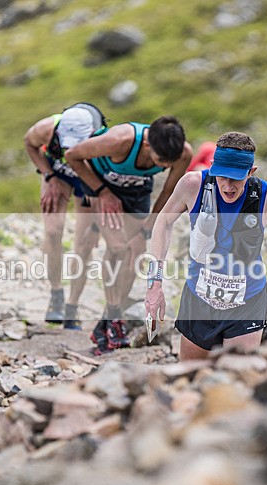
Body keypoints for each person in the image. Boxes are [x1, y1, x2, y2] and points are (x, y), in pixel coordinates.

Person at [144, 131, 267, 360]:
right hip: (199, 299)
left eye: (236, 178)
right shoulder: (192, 185)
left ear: (251, 172)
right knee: (190, 376)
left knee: (238, 374)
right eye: (221, 176)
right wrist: (154, 283)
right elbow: (163, 222)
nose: (227, 186)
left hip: (248, 299)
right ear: (213, 166)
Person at [65, 116, 193, 354]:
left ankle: (106, 323)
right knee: (117, 248)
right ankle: (115, 318)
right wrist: (102, 193)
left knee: (136, 252)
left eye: (168, 164)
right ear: (147, 146)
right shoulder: (120, 140)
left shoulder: (182, 153)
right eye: (160, 161)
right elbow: (72, 155)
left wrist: (148, 228)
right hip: (100, 186)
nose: (164, 167)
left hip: (136, 190)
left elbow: (168, 191)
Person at [24, 103, 106, 329]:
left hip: (87, 181)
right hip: (58, 173)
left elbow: (103, 190)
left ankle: (72, 306)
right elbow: (29, 144)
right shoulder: (45, 129)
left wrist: (97, 227)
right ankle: (56, 294)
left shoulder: (104, 142)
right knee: (52, 231)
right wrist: (48, 175)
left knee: (84, 244)